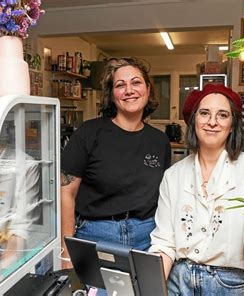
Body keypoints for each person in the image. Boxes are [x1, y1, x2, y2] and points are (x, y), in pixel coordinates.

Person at [149, 84, 244, 296]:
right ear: (193, 120)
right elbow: (164, 243)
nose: (212, 122)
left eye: (222, 115)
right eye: (204, 113)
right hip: (178, 283)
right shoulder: (173, 175)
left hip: (230, 286)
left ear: (232, 125)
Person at [60, 57, 171, 270]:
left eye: (136, 83)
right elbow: (66, 193)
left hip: (147, 238)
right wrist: (67, 254)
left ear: (148, 89)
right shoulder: (88, 133)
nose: (129, 90)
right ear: (112, 94)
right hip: (96, 236)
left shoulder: (160, 141)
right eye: (120, 85)